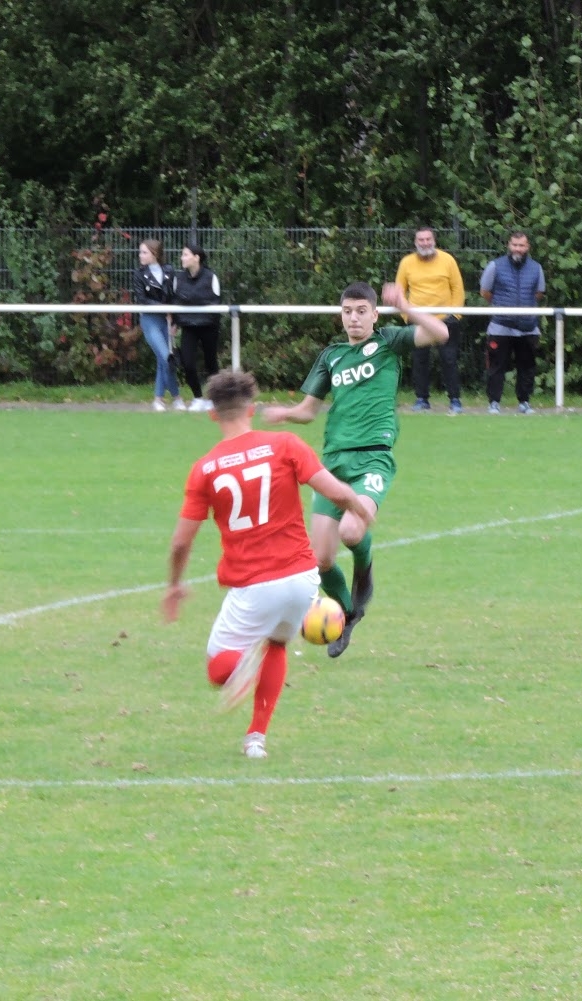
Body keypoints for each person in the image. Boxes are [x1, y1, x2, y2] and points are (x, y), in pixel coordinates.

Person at [162, 369, 374, 759]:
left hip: (254, 584)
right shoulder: (285, 445)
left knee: (219, 670)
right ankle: (256, 738)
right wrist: (360, 510)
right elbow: (336, 492)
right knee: (276, 643)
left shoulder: (206, 469)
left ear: (213, 414)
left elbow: (180, 542)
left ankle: (245, 666)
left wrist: (175, 584)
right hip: (303, 578)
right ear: (252, 409)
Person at [261, 281, 448, 658]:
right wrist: (285, 413)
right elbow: (309, 411)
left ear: (375, 314)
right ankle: (347, 614)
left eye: (362, 311)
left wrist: (405, 305)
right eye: (348, 312)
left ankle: (365, 569)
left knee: (351, 530)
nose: (354, 318)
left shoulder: (389, 341)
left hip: (373, 458)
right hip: (332, 463)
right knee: (320, 560)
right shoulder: (331, 356)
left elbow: (439, 332)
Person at [396, 226, 466, 414]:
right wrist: (407, 316)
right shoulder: (407, 262)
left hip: (445, 320)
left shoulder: (448, 260)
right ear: (415, 242)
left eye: (428, 239)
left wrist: (455, 315)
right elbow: (399, 291)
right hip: (418, 320)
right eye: (421, 240)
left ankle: (455, 400)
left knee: (449, 359)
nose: (425, 243)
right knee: (419, 360)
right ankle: (422, 399)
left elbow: (458, 288)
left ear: (434, 241)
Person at [481, 231, 545, 414]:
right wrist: (501, 306)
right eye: (514, 245)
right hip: (500, 326)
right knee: (496, 367)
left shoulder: (536, 268)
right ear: (509, 245)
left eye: (521, 245)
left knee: (527, 367)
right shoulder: (495, 266)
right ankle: (494, 402)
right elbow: (485, 291)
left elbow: (539, 293)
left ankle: (524, 402)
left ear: (527, 247)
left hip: (528, 327)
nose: (518, 248)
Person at [132, 238, 183, 411]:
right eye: (140, 252)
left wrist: (175, 321)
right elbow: (142, 299)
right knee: (165, 357)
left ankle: (160, 399)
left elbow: (174, 296)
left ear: (154, 254)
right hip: (150, 319)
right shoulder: (139, 274)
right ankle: (175, 397)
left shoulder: (169, 270)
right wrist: (163, 308)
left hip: (166, 320)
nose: (140, 255)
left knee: (165, 360)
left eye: (144, 252)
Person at [170, 242, 221, 411]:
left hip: (209, 326)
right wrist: (175, 323)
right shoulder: (178, 278)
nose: (182, 258)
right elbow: (176, 302)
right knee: (188, 363)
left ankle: (213, 399)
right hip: (188, 327)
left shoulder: (211, 277)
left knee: (211, 363)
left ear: (196, 257)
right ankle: (198, 398)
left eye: (185, 254)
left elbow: (215, 302)